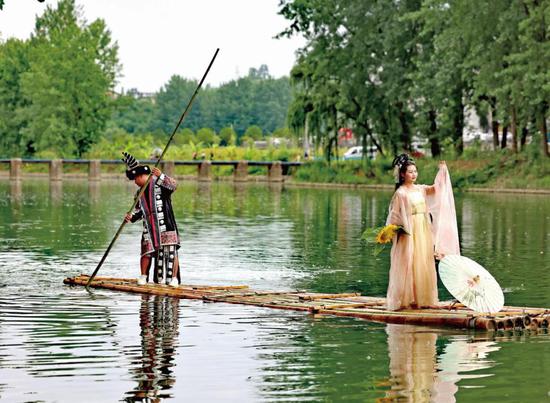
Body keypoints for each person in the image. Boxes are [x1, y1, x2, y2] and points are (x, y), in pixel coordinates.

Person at [385, 154, 460, 310]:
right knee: (409, 262)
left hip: (423, 231)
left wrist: (442, 172)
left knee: (423, 262)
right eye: (410, 172)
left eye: (415, 171)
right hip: (409, 231)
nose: (414, 174)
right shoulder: (401, 193)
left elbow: (436, 189)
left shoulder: (420, 189)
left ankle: (424, 299)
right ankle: (406, 298)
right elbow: (395, 215)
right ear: (402, 174)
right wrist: (392, 230)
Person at [122, 152, 181, 287]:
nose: (135, 182)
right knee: (146, 252)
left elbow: (173, 186)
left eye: (135, 179)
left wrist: (161, 175)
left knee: (170, 252)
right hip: (149, 228)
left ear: (142, 176)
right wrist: (130, 217)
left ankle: (173, 279)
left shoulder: (159, 183)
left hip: (166, 226)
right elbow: (138, 212)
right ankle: (144, 276)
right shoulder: (139, 193)